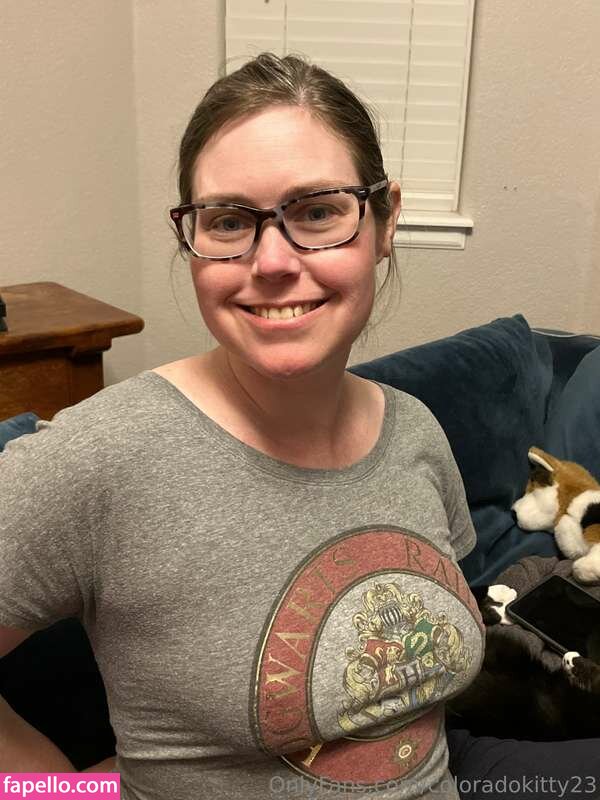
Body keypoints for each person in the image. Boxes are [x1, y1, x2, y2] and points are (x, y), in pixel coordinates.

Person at [2, 52, 570, 800]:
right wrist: (64, 792)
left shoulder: (415, 432)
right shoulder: (98, 458)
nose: (271, 261)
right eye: (228, 221)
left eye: (317, 211)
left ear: (385, 221)